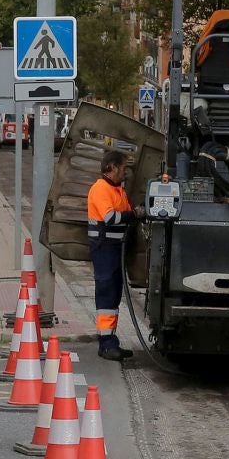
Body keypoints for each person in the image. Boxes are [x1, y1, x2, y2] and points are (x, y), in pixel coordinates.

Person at [86, 151, 135, 361]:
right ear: (112, 167)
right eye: (123, 168)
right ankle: (106, 343)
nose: (126, 172)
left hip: (115, 248)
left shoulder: (118, 190)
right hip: (104, 248)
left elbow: (127, 214)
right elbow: (111, 217)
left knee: (114, 294)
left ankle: (110, 341)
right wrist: (135, 214)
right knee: (106, 293)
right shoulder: (100, 189)